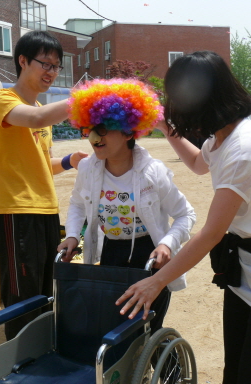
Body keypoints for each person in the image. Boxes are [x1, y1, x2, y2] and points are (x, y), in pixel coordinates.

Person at [116, 51, 251, 384]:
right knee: (238, 371)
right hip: (247, 263)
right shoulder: (222, 136)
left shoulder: (244, 147)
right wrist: (163, 125)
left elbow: (212, 233)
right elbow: (200, 163)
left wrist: (157, 281)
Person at [58, 78, 196, 334]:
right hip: (110, 254)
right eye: (89, 129)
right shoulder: (88, 168)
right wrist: (73, 235)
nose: (94, 138)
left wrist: (167, 243)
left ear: (129, 131)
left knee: (148, 329)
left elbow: (185, 214)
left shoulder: (153, 172)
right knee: (114, 327)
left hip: (150, 259)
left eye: (103, 129)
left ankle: (168, 369)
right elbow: (77, 204)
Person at [0, 31, 88, 340]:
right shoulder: (3, 99)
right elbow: (37, 116)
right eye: (45, 64)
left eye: (56, 66)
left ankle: (39, 362)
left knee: (45, 295)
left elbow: (43, 164)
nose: (51, 72)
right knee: (22, 298)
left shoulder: (40, 110)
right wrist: (86, 99)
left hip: (45, 211)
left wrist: (70, 160)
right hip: (16, 211)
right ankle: (19, 366)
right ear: (23, 61)